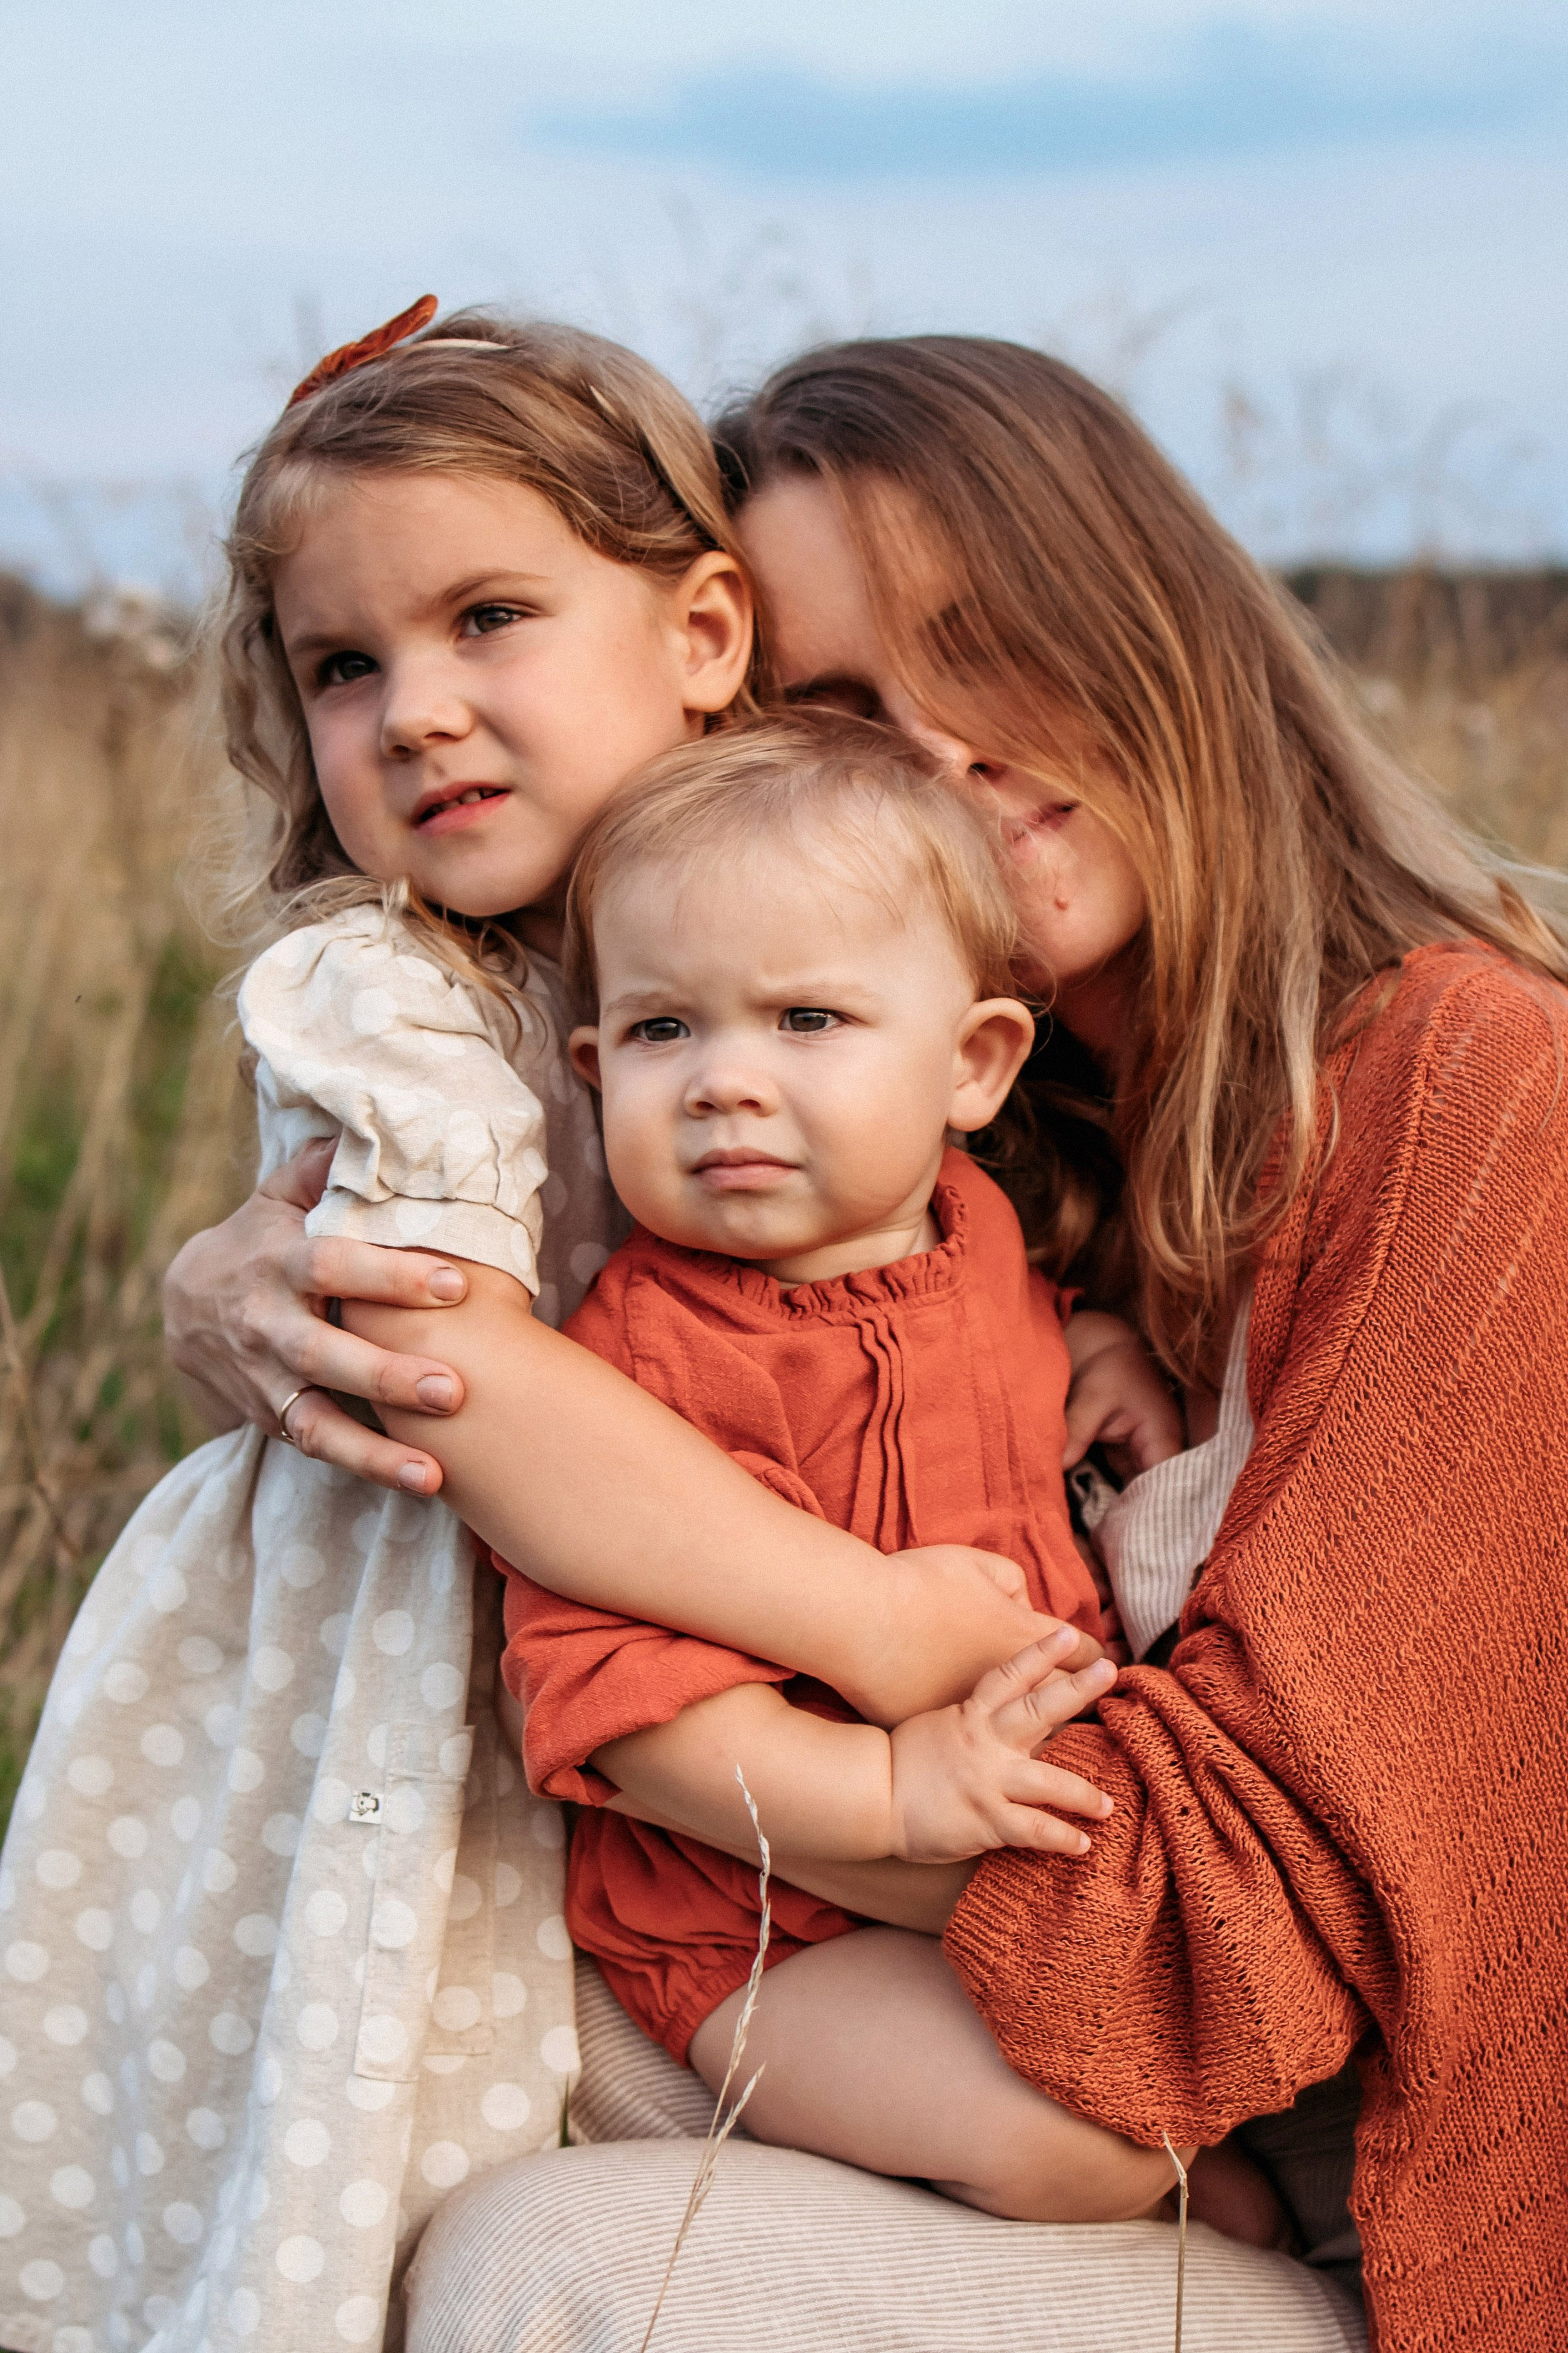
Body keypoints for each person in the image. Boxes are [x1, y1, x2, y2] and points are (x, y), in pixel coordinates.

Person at [167, 334, 1568, 2353]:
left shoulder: (1474, 1094)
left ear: (1154, 613)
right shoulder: (964, 1124)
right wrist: (257, 1278)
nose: (932, 753)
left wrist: (804, 1751)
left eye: (988, 638)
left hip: (1402, 2225)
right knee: (386, 2105)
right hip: (985, 2007)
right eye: (834, 705)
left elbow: (1225, 1933)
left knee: (535, 2266)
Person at [0, 297, 771, 2353]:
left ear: (702, 634)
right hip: (410, 1662)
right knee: (388, 2114)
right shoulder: (398, 997)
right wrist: (870, 1621)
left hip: (633, 1650)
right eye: (348, 665)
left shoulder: (818, 943)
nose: (418, 707)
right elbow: (461, 1370)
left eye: (490, 616)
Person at [499, 712, 1250, 2232]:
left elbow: (1001, 1338)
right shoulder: (638, 1367)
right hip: (763, 1922)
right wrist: (886, 1789)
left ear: (972, 1067)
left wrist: (1089, 1340)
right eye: (663, 1031)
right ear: (591, 1071)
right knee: (1088, 2144)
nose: (722, 1082)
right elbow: (622, 1710)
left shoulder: (972, 1230)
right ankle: (1184, 2238)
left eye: (806, 1022)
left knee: (1184, 2060)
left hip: (995, 1852)